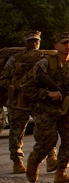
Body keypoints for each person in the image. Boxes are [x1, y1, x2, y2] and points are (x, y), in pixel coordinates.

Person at [22, 32, 69, 183]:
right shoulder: (45, 63)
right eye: (64, 43)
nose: (68, 46)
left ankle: (61, 173)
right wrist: (47, 93)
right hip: (45, 110)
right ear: (56, 46)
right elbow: (26, 86)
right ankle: (34, 160)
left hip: (66, 109)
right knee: (47, 142)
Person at [1, 30, 47, 174]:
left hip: (37, 100)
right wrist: (16, 86)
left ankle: (50, 157)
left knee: (46, 129)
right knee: (16, 133)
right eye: (31, 40)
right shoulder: (15, 60)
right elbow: (3, 80)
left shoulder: (44, 59)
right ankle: (17, 161)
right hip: (18, 102)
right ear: (24, 42)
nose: (34, 43)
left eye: (36, 41)